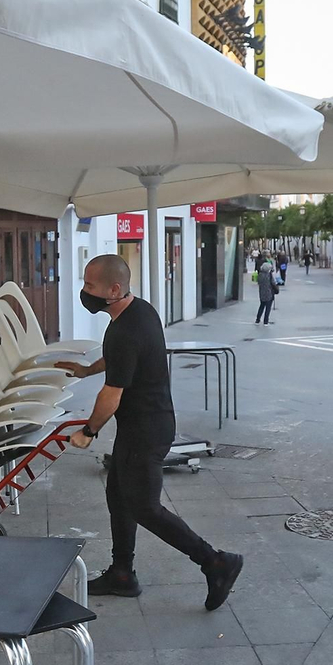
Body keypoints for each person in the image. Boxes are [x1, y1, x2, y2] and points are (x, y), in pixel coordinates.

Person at [54, 255, 243, 610]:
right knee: (118, 496)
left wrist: (89, 431)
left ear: (113, 289)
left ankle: (216, 562)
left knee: (145, 506)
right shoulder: (137, 312)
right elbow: (117, 358)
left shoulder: (127, 329)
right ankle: (122, 573)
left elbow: (111, 395)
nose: (84, 292)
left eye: (89, 286)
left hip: (147, 430)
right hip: (141, 426)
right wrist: (84, 370)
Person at [255, 260, 278, 326]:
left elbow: (259, 282)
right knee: (268, 308)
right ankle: (266, 321)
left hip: (262, 292)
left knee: (261, 306)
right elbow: (273, 283)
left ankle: (257, 320)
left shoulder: (260, 275)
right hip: (269, 293)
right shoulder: (269, 275)